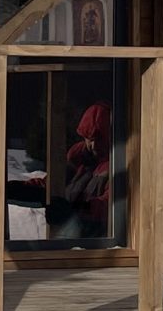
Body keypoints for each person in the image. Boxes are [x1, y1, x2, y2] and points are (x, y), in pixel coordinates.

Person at [45, 101, 114, 242]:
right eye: (90, 139)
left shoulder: (114, 166)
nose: (94, 145)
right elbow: (51, 183)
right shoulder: (76, 161)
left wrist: (77, 208)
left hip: (95, 245)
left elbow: (109, 205)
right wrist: (17, 189)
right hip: (64, 241)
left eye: (100, 139)